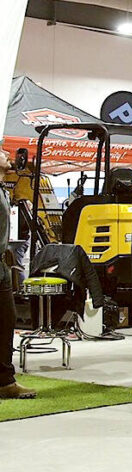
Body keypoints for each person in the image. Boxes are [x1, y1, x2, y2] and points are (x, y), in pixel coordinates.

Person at [0, 148, 35, 400]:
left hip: (2, 264)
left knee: (6, 322)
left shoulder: (5, 187)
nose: (7, 154)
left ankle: (5, 381)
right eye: (1, 152)